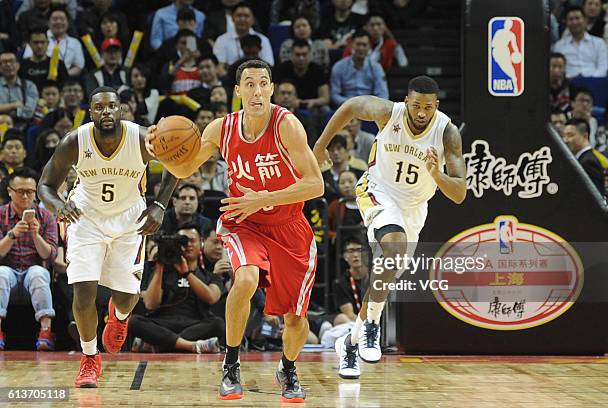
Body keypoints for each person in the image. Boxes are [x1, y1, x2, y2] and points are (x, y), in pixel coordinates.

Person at [146, 59, 324, 402]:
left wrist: (265, 198)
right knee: (244, 279)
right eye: (250, 84)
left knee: (295, 321)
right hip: (244, 221)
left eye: (263, 84)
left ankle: (287, 367)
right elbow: (184, 166)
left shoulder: (287, 125)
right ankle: (231, 363)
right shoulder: (220, 129)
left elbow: (315, 185)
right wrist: (159, 152)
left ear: (271, 89)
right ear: (238, 91)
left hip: (289, 228)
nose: (257, 91)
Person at [313, 75, 467, 379]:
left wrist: (438, 175)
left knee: (386, 271)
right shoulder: (388, 113)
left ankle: (350, 343)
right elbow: (351, 106)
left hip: (414, 207)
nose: (421, 113)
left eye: (427, 107)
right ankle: (373, 325)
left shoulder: (447, 133)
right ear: (407, 102)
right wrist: (319, 146)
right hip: (378, 190)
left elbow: (460, 193)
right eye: (416, 105)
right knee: (393, 250)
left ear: (436, 106)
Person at [37, 86, 179, 388]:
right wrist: (59, 206)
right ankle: (90, 357)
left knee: (128, 297)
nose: (106, 112)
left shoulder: (142, 139)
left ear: (121, 110)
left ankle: (119, 315)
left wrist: (159, 204)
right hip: (85, 218)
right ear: (90, 113)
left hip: (130, 220)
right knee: (83, 291)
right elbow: (45, 185)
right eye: (99, 107)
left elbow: (175, 166)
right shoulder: (75, 141)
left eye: (111, 106)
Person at [130, 222, 224, 354]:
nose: (188, 245)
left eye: (192, 240)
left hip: (194, 324)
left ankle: (160, 344)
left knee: (218, 324)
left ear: (201, 243)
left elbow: (211, 298)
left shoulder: (209, 276)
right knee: (134, 322)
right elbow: (151, 304)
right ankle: (190, 346)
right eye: (183, 242)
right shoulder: (161, 271)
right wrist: (160, 267)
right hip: (162, 323)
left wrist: (187, 274)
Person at [0, 167, 58, 351]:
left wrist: (35, 235)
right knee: (0, 274)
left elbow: (49, 255)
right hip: (8, 270)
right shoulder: (1, 214)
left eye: (30, 192)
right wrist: (12, 234)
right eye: (20, 191)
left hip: (33, 271)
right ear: (10, 191)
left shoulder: (46, 216)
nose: (25, 196)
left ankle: (46, 330)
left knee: (38, 273)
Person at [563, 117, 608, 194]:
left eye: (570, 135)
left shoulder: (588, 162)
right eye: (564, 136)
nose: (565, 140)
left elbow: (593, 196)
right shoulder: (583, 158)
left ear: (585, 136)